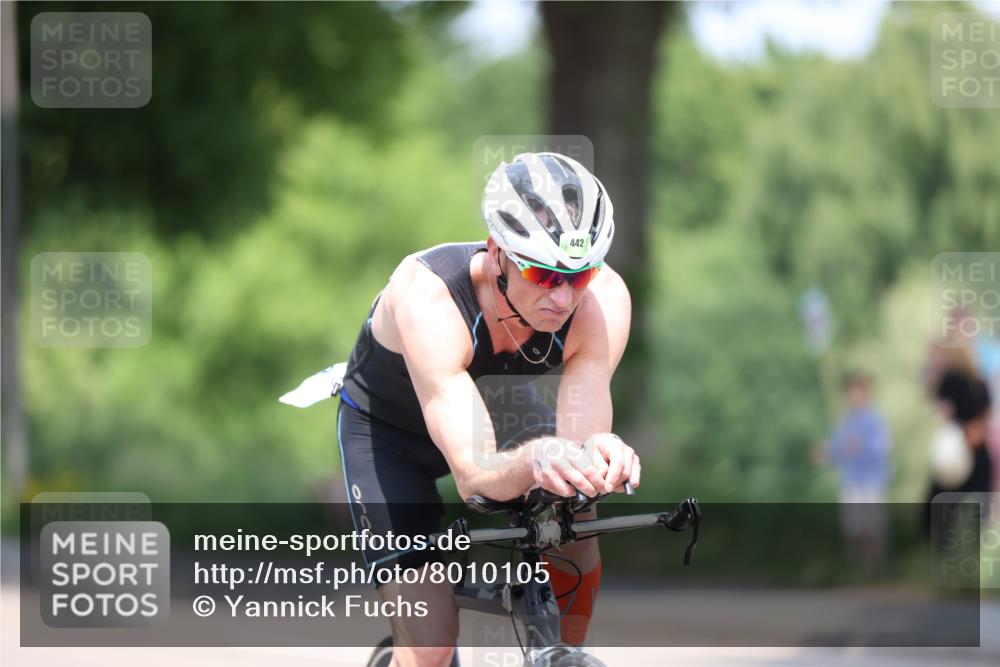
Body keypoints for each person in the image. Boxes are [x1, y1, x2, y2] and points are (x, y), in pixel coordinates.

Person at [336, 152, 638, 667]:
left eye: (579, 274)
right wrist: (536, 458)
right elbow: (475, 475)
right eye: (544, 276)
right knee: (430, 645)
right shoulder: (429, 296)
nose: (564, 297)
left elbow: (584, 432)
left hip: (496, 406)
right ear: (498, 252)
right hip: (389, 432)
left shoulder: (603, 298)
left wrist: (598, 455)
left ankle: (564, 652)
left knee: (578, 509)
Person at [823, 371, 892, 571]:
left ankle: (876, 568)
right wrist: (827, 452)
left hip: (871, 482)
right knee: (853, 527)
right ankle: (856, 567)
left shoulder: (876, 421)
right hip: (851, 481)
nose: (855, 396)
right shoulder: (846, 421)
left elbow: (881, 449)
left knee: (872, 527)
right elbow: (837, 448)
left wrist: (861, 447)